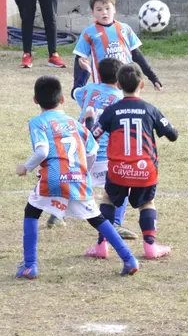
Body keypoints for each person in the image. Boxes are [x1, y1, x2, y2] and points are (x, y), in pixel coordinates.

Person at [15, 76, 139, 278]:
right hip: (77, 178)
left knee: (31, 212)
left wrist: (26, 168)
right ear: (63, 99)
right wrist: (85, 171)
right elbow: (92, 149)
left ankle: (30, 265)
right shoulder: (76, 123)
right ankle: (129, 258)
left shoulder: (37, 122)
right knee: (97, 219)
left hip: (53, 178)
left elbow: (42, 151)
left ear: (35, 100)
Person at [91, 64, 178, 260]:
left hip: (118, 170)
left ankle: (102, 245)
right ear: (142, 84)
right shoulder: (150, 109)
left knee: (108, 200)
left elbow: (93, 135)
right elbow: (173, 135)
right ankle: (150, 247)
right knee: (147, 203)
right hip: (145, 170)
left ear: (119, 84)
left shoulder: (111, 111)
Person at [71, 57, 137, 241]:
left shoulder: (88, 90)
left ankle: (56, 214)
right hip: (102, 156)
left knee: (74, 185)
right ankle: (116, 222)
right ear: (119, 78)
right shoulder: (119, 99)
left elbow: (74, 91)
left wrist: (86, 74)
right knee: (121, 186)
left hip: (79, 153)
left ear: (99, 74)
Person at [72, 0, 163, 93]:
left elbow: (137, 55)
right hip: (103, 87)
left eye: (107, 8)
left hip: (127, 85)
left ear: (114, 9)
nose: (104, 12)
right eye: (99, 9)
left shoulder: (125, 29)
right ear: (93, 12)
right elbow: (80, 60)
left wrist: (153, 77)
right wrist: (77, 87)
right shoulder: (89, 33)